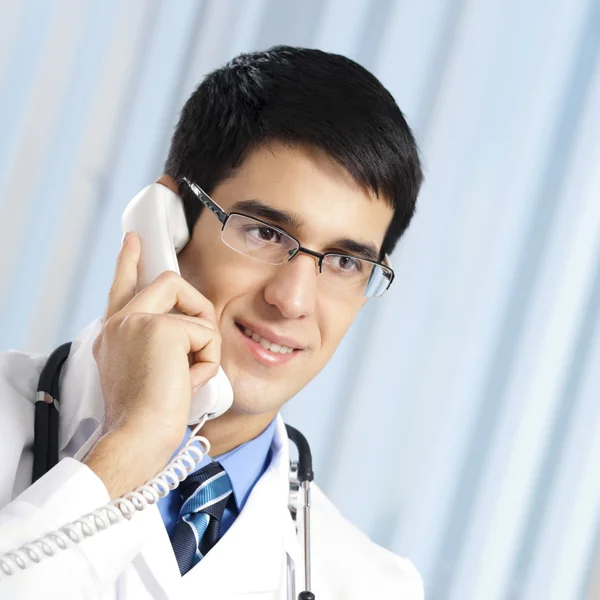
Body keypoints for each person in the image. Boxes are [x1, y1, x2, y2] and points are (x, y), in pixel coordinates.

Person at [0, 46, 424, 599]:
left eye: (345, 262)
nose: (293, 300)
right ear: (167, 222)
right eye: (266, 233)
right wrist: (132, 445)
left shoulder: (372, 585)